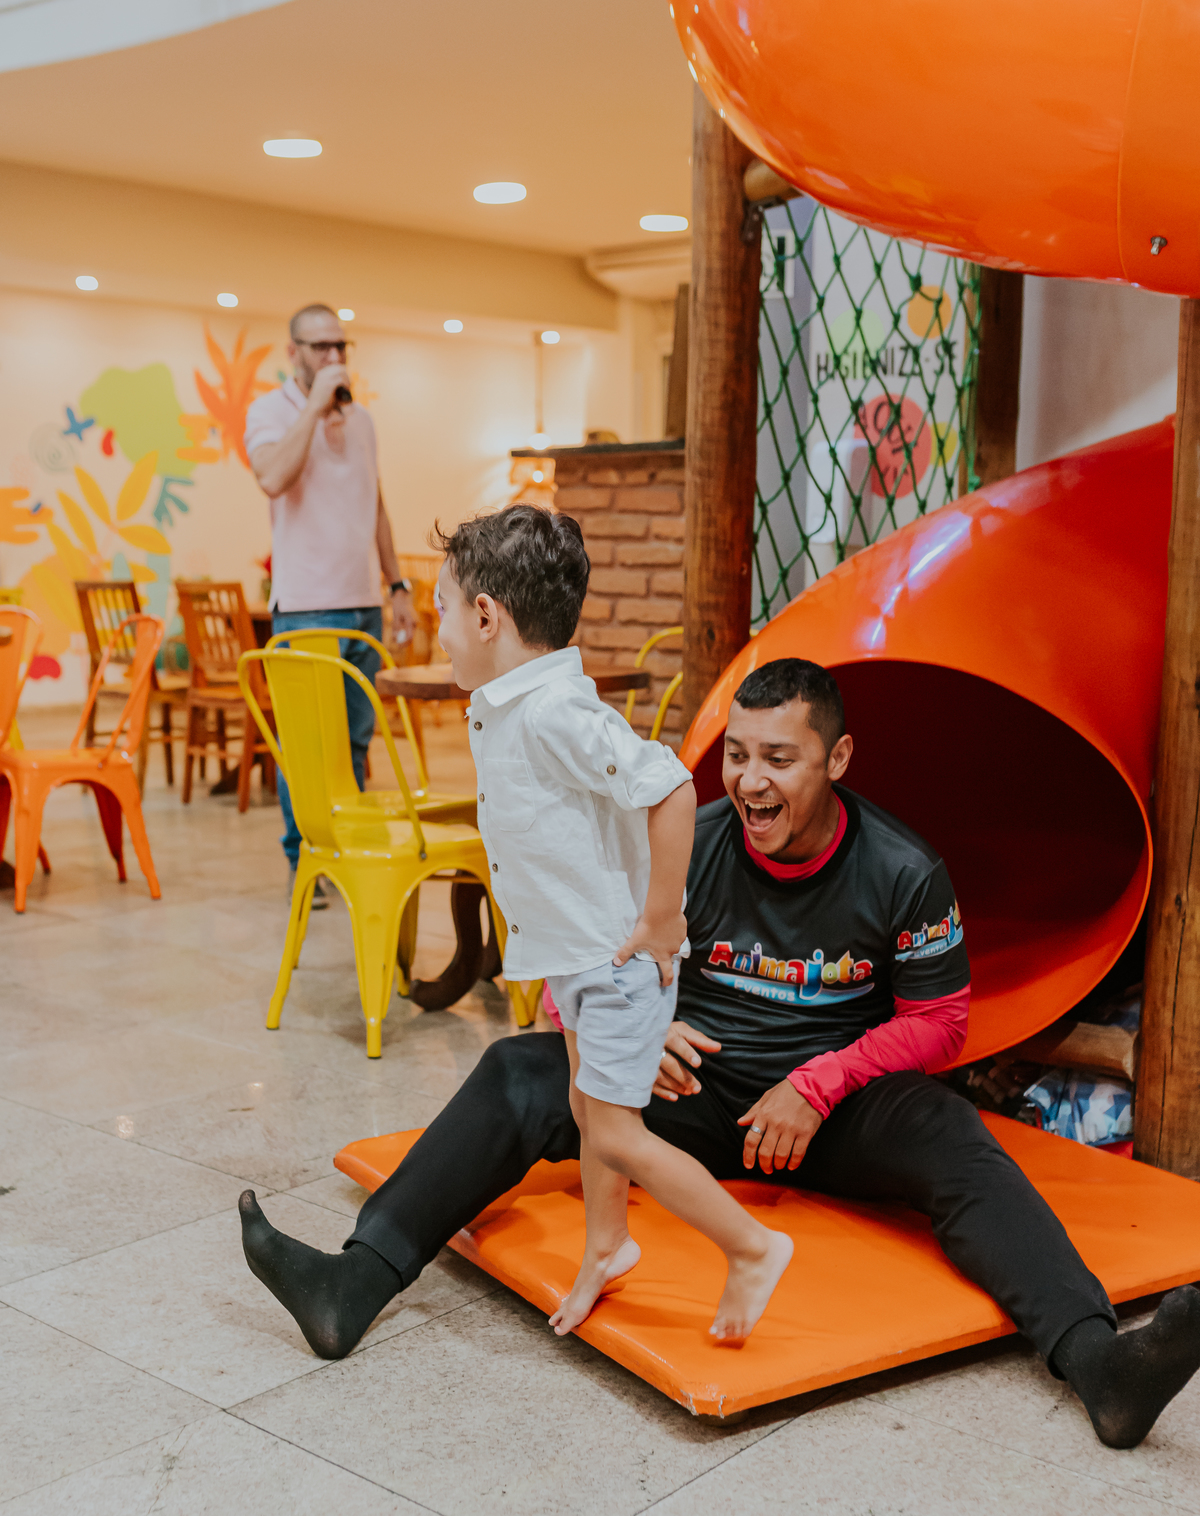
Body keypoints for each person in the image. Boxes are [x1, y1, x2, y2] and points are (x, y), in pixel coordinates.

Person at [238, 657, 1200, 1451]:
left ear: (838, 758)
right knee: (518, 1071)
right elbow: (579, 970)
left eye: (779, 758)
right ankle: (354, 1281)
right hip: (687, 1087)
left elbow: (941, 1022)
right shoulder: (686, 843)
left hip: (828, 1109)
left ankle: (1098, 1363)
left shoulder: (903, 870)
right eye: (737, 754)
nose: (749, 780)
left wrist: (820, 1084)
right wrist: (633, 1034)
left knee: (953, 1132)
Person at [431, 505, 793, 1340]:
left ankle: (750, 1246)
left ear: (487, 616)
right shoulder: (511, 699)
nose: (439, 627)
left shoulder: (556, 711)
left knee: (618, 1132)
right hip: (582, 960)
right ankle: (607, 1245)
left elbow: (671, 788)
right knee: (587, 1106)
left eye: (443, 607)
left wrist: (662, 921)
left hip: (622, 962)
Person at [244, 302, 416, 900]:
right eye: (320, 347)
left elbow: (378, 507)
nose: (334, 357)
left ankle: (348, 849)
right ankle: (306, 861)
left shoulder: (364, 421)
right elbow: (271, 478)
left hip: (363, 603)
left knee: (356, 742)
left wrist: (397, 587)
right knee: (307, 748)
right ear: (293, 353)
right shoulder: (268, 413)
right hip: (306, 608)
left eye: (341, 346)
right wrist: (314, 407)